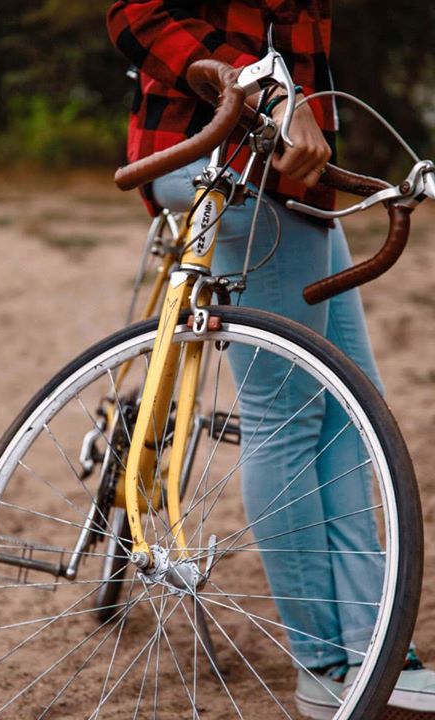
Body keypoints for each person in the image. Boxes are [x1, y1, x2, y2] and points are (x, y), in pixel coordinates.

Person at [107, 2, 435, 717]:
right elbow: (136, 11)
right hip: (223, 149)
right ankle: (327, 664)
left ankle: (373, 645)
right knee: (287, 412)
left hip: (290, 169)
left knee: (354, 406)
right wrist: (268, 90)